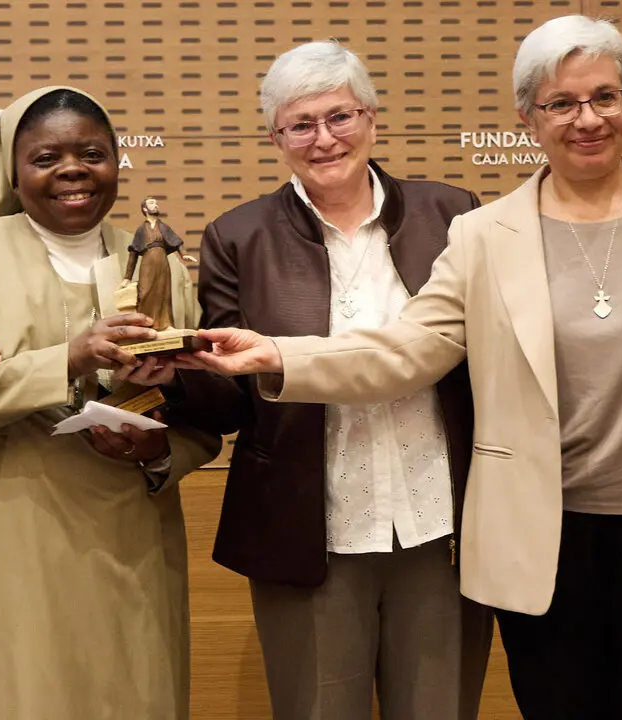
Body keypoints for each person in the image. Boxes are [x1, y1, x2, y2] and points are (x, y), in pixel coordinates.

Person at [184, 16, 622, 720]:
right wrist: (281, 354)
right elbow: (408, 349)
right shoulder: (485, 233)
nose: (586, 119)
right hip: (539, 533)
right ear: (529, 119)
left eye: (604, 97)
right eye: (561, 103)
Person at [159, 41, 491, 720]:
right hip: (306, 533)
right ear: (275, 138)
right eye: (299, 125)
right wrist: (172, 374)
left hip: (441, 529)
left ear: (370, 117)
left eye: (339, 116)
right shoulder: (237, 236)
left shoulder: (454, 215)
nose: (323, 139)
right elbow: (228, 402)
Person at [0, 86, 221, 720]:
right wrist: (69, 357)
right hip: (1, 532)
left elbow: (199, 409)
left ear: (117, 161)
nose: (73, 169)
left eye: (92, 153)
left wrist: (162, 453)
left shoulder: (162, 262)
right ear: (14, 173)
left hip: (129, 537)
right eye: (45, 157)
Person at [121, 196, 193, 330]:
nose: (156, 205)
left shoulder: (163, 227)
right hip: (147, 263)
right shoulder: (141, 229)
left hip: (162, 262)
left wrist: (184, 254)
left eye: (156, 203)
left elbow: (176, 241)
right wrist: (127, 278)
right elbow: (133, 254)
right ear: (144, 208)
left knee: (163, 292)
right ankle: (145, 324)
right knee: (144, 293)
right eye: (152, 203)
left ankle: (165, 324)